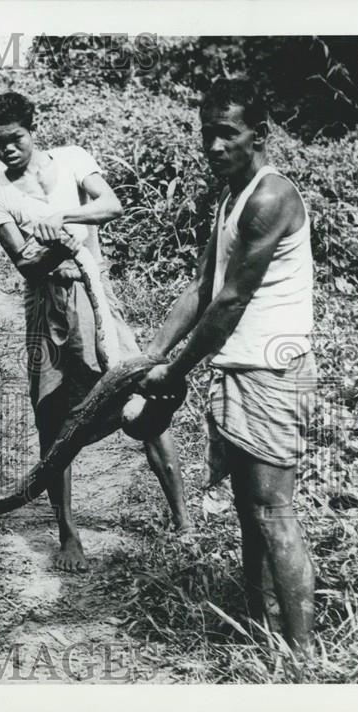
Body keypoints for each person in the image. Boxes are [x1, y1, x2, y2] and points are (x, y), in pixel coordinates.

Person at [0, 92, 190, 573]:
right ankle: (68, 533)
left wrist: (60, 220)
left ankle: (182, 521)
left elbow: (110, 205)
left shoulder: (72, 161)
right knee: (52, 419)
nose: (8, 149)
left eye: (16, 139)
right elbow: (27, 264)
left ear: (33, 130)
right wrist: (54, 247)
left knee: (144, 393)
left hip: (96, 299)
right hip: (46, 308)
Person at [138, 77, 316, 655]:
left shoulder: (270, 196)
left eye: (226, 134)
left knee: (273, 513)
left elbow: (231, 301)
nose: (213, 146)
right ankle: (265, 636)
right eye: (206, 134)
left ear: (258, 136)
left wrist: (177, 368)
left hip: (269, 372)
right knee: (250, 512)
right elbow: (201, 285)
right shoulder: (229, 197)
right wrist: (153, 354)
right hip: (240, 371)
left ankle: (305, 657)